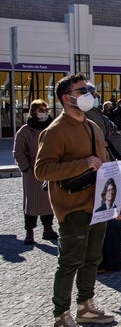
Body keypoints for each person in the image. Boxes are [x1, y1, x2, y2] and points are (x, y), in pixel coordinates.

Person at [35, 73, 117, 327]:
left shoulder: (92, 126)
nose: (88, 93)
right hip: (72, 206)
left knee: (93, 257)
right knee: (70, 261)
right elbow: (42, 170)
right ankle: (60, 317)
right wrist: (82, 164)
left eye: (88, 89)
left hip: (99, 204)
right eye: (82, 90)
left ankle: (86, 306)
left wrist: (117, 200)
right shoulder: (55, 130)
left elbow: (104, 164)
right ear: (66, 97)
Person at [13, 99, 58, 245]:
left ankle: (48, 228)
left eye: (45, 110)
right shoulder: (25, 131)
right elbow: (18, 152)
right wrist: (26, 168)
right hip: (32, 172)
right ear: (33, 112)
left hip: (49, 170)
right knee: (31, 203)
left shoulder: (52, 128)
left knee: (48, 201)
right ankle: (29, 232)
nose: (43, 114)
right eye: (40, 110)